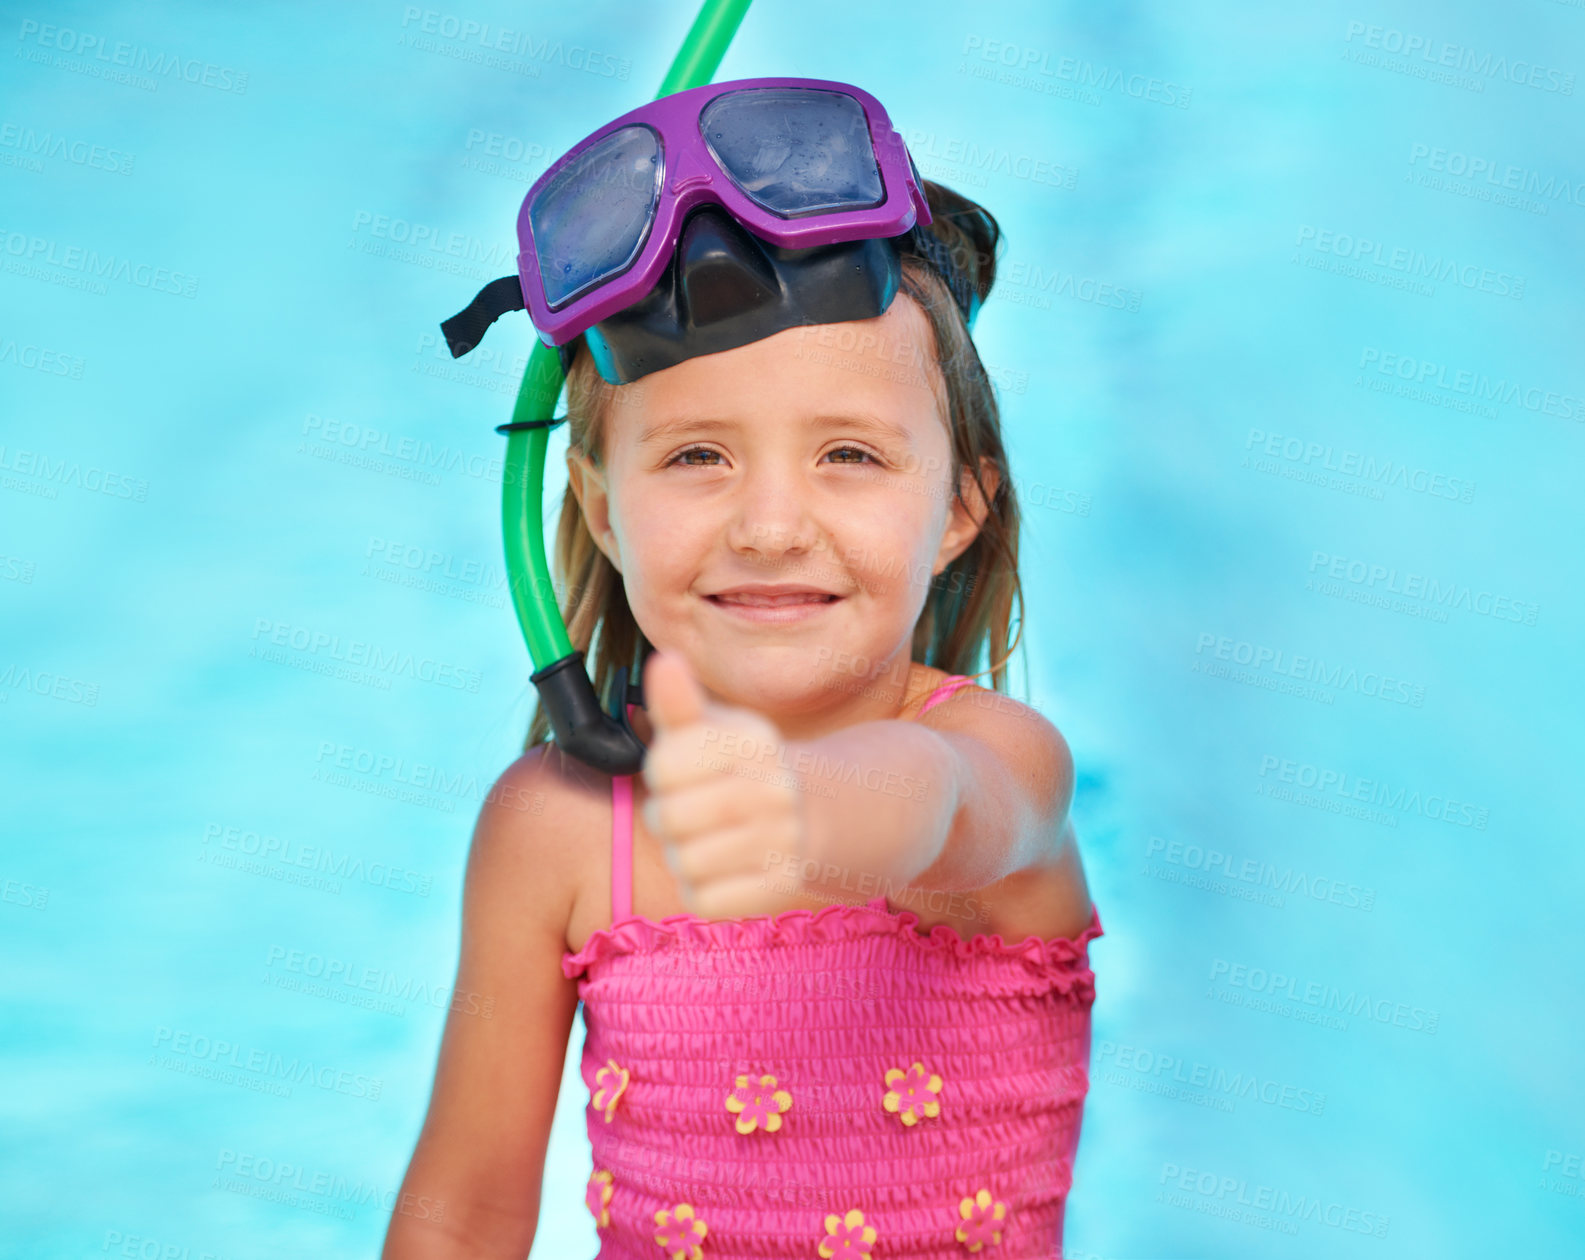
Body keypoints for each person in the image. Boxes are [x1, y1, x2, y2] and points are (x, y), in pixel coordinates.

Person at [384, 77, 1100, 1260]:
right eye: (700, 453)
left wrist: (800, 806)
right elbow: (465, 1208)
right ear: (604, 512)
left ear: (961, 507)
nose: (770, 525)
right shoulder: (559, 826)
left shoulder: (1005, 763)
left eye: (850, 454)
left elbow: (935, 805)